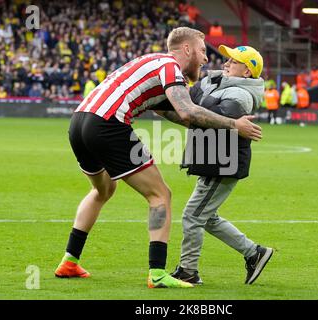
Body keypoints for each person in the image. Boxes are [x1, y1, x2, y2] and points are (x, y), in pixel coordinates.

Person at [54, 27, 263, 288]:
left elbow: (168, 112)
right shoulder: (169, 66)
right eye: (201, 50)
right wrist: (235, 126)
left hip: (80, 121)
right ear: (186, 49)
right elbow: (186, 111)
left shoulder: (150, 61)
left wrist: (216, 125)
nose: (206, 58)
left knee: (103, 190)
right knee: (160, 195)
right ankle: (158, 272)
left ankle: (69, 261)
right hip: (108, 124)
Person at [160, 44, 273, 285]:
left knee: (193, 216)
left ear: (246, 73)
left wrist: (193, 102)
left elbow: (208, 115)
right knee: (205, 216)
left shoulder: (242, 95)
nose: (226, 63)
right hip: (214, 160)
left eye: (233, 61)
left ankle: (188, 271)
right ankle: (255, 253)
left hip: (224, 163)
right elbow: (190, 105)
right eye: (228, 58)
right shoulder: (217, 81)